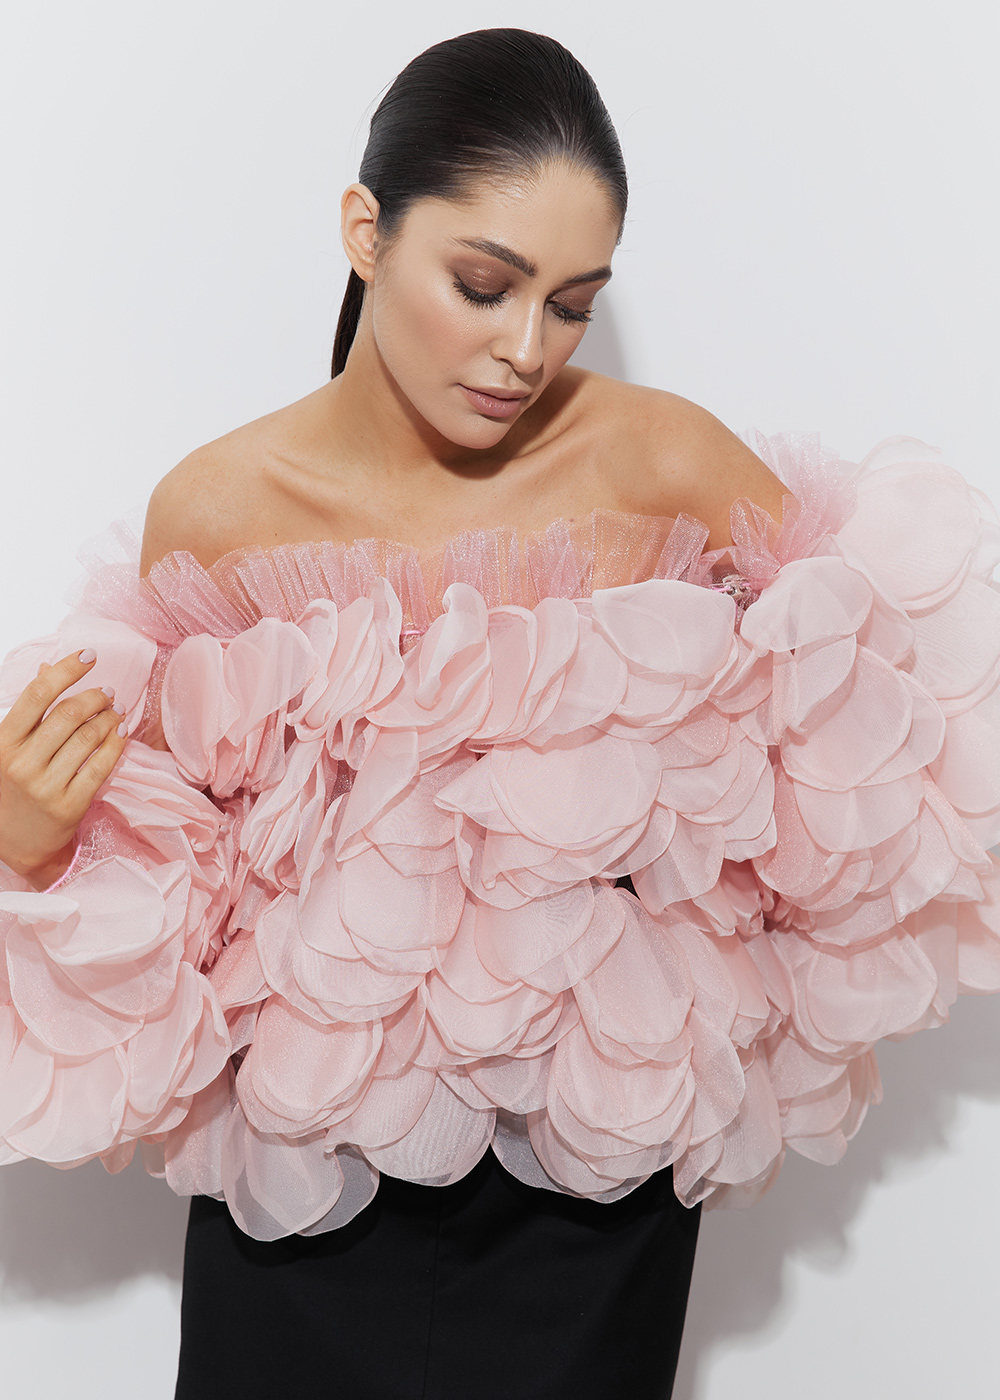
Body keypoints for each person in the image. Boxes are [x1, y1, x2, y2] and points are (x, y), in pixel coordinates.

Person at [0, 27, 998, 1400]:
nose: (526, 349)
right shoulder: (221, 513)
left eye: (574, 303)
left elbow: (881, 738)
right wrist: (34, 838)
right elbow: (182, 899)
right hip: (302, 1190)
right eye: (483, 285)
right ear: (365, 231)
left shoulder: (669, 465)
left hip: (596, 1190)